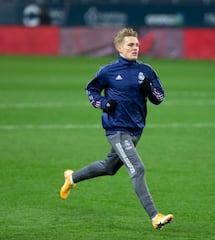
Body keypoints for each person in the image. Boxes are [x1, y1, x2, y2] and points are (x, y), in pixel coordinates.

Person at [59, 28, 173, 230]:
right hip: (116, 129)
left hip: (136, 130)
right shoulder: (108, 71)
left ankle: (72, 177)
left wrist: (150, 90)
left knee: (108, 167)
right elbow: (91, 90)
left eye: (137, 44)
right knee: (137, 169)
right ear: (119, 48)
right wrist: (103, 104)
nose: (135, 48)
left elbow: (160, 98)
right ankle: (155, 216)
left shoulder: (146, 71)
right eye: (130, 45)